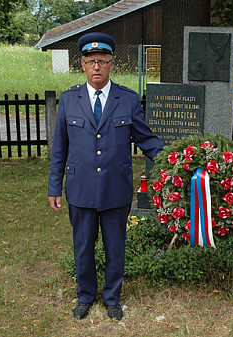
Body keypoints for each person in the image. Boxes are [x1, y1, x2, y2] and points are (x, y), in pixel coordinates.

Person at [48, 32, 163, 321]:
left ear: (112, 64)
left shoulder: (128, 99)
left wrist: (178, 160)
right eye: (90, 61)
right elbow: (59, 149)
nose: (96, 67)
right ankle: (86, 295)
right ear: (82, 65)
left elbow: (147, 140)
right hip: (80, 187)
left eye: (102, 61)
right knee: (83, 246)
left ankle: (112, 297)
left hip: (116, 187)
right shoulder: (68, 100)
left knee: (115, 246)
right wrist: (54, 187)